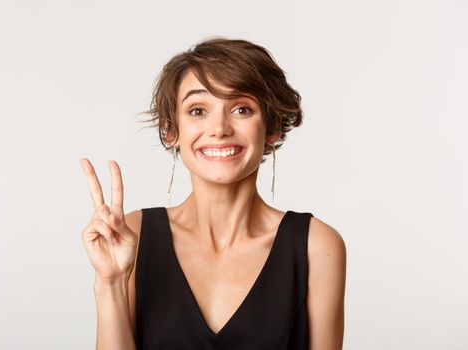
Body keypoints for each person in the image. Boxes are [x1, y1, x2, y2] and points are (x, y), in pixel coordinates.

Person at [80, 37, 346, 350]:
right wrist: (111, 283)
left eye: (242, 109)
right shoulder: (132, 236)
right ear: (171, 130)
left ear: (272, 128)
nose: (219, 128)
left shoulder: (316, 246)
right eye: (197, 110)